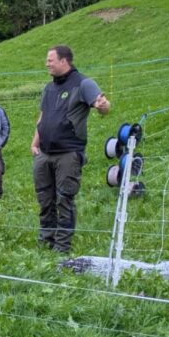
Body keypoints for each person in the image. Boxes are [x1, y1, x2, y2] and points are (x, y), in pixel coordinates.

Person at [31, 45, 110, 253]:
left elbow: (102, 104)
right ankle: (46, 239)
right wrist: (34, 142)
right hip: (44, 154)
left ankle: (62, 246)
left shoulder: (83, 83)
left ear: (64, 61)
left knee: (64, 199)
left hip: (68, 153)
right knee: (45, 199)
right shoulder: (49, 88)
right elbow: (43, 117)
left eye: (50, 60)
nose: (47, 63)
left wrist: (103, 106)